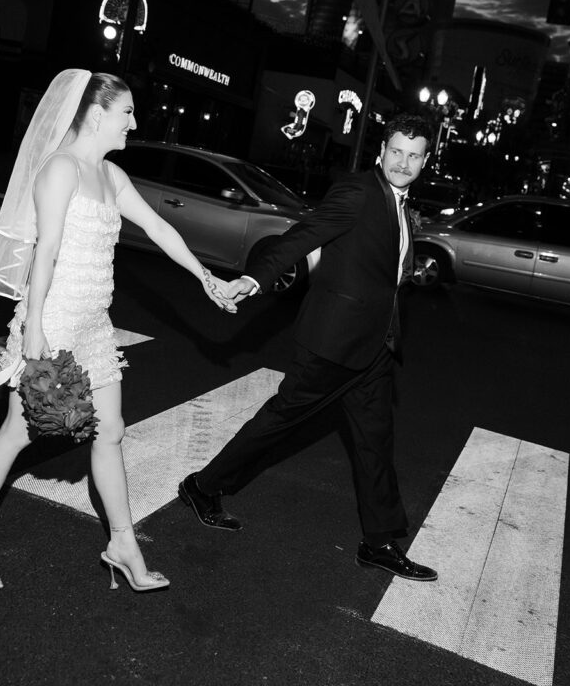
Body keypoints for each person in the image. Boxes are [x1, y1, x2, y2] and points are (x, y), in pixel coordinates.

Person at [0, 69, 235, 591]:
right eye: (127, 112)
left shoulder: (111, 176)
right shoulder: (61, 169)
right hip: (52, 321)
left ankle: (122, 544)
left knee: (112, 432)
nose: (134, 122)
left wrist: (206, 277)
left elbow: (159, 227)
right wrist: (34, 329)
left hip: (95, 326)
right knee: (17, 434)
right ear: (97, 114)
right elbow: (46, 251)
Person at [179, 113, 438, 582]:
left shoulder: (398, 202)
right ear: (381, 151)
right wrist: (254, 279)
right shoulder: (359, 192)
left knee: (375, 442)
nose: (403, 162)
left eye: (414, 155)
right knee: (280, 421)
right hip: (333, 343)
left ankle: (378, 542)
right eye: (396, 151)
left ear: (424, 161)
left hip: (374, 347)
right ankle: (202, 487)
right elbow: (303, 235)